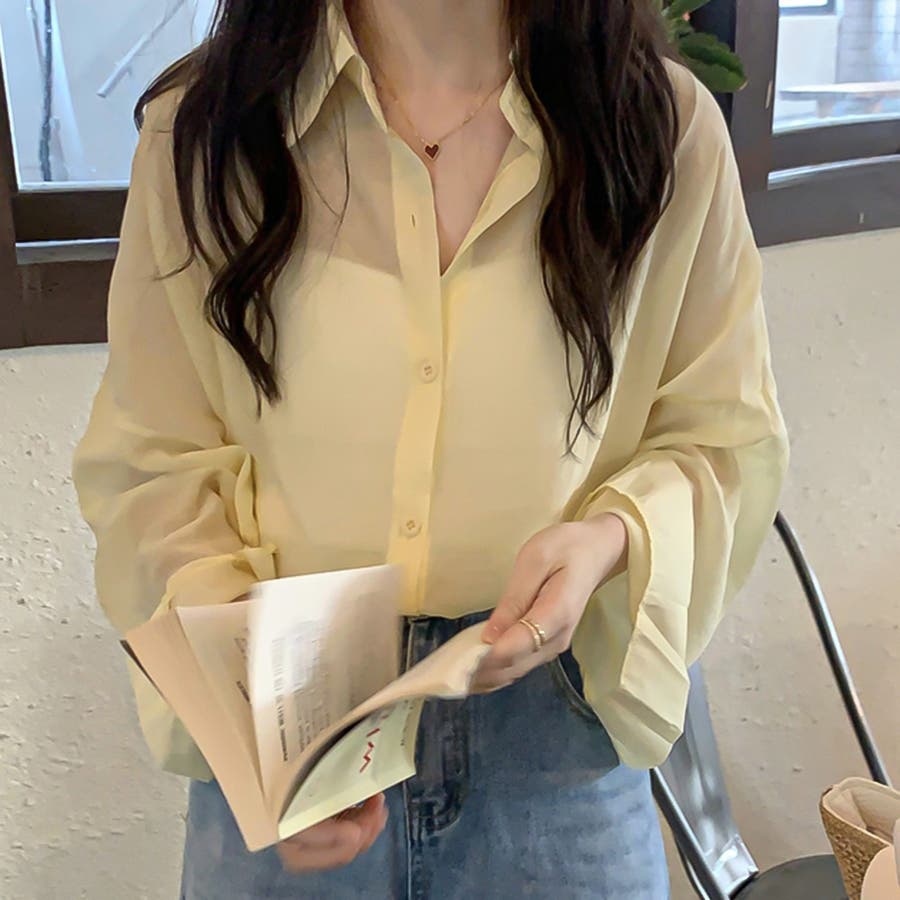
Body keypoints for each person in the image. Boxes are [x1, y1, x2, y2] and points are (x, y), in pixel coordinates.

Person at [72, 0, 790, 897]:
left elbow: (722, 435)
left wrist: (610, 540)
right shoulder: (206, 133)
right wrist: (262, 715)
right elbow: (152, 459)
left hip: (554, 737)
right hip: (280, 710)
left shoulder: (660, 129)